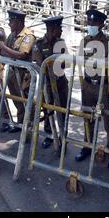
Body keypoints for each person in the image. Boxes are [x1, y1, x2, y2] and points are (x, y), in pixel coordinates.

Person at [75, 9, 109, 169]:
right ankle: (87, 146)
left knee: (108, 120)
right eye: (89, 22)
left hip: (104, 86)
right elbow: (80, 60)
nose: (90, 25)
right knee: (87, 116)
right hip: (87, 85)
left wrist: (103, 77)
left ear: (101, 24)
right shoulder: (85, 41)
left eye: (94, 22)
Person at [31, 16, 69, 149]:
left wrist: (54, 63)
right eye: (59, 28)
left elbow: (66, 62)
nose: (61, 31)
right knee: (48, 110)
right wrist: (54, 63)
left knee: (63, 109)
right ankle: (49, 135)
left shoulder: (61, 43)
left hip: (61, 82)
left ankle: (63, 136)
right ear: (52, 29)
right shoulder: (39, 44)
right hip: (46, 84)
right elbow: (41, 64)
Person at [0, 9, 36, 132]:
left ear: (19, 22)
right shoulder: (12, 35)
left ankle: (29, 126)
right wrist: (7, 51)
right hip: (13, 72)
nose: (9, 24)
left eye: (11, 21)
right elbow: (4, 53)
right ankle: (20, 123)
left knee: (25, 100)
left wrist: (4, 47)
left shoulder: (28, 36)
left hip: (23, 73)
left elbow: (22, 54)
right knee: (16, 98)